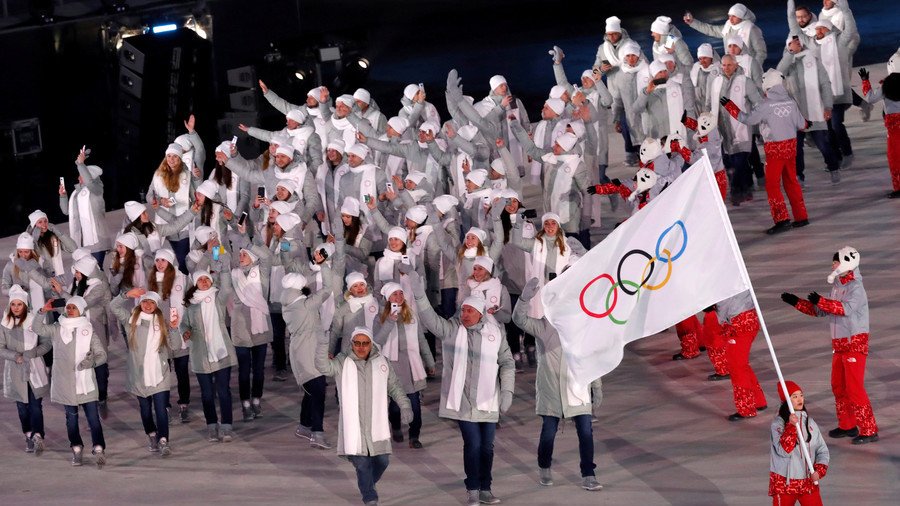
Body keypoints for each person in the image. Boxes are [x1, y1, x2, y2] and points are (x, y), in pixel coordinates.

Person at [408, 266, 515, 506]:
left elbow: (507, 362)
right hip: (463, 401)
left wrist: (507, 391)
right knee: (473, 444)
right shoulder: (452, 331)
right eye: (463, 310)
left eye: (469, 311)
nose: (464, 314)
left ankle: (486, 487)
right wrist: (418, 294)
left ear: (480, 314)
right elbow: (430, 320)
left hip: (488, 399)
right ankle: (473, 489)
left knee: (487, 447)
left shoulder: (495, 333)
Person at [780, 246, 879, 444]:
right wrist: (797, 302)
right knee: (838, 386)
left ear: (846, 264)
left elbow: (846, 309)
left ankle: (869, 429)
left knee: (854, 388)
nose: (833, 265)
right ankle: (847, 425)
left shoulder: (856, 288)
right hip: (840, 344)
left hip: (854, 344)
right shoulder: (838, 286)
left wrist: (822, 301)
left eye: (836, 262)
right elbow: (821, 311)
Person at [514, 278, 603, 491]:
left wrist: (597, 386)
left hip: (577, 389)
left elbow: (590, 359)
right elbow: (519, 319)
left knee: (586, 432)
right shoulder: (544, 327)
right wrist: (524, 298)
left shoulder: (582, 329)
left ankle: (588, 474)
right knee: (548, 432)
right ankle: (544, 466)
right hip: (552, 391)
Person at [315, 327, 412, 506]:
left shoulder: (382, 363)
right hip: (354, 428)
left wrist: (405, 406)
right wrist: (322, 343)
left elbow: (395, 387)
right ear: (352, 344)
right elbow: (322, 366)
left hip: (377, 426)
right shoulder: (342, 362)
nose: (361, 347)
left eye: (365, 343)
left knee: (382, 461)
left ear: (371, 344)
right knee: (362, 464)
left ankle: (367, 483)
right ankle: (370, 497)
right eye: (357, 343)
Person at [728, 69, 810, 234]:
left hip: (775, 149)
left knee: (772, 185)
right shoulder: (791, 102)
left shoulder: (765, 105)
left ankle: (782, 219)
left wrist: (730, 107)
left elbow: (748, 119)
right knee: (791, 181)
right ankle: (801, 216)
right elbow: (802, 124)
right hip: (791, 147)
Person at [32, 296, 108, 467]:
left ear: (80, 310)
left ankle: (98, 448)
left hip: (85, 383)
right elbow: (37, 328)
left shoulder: (88, 330)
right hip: (65, 383)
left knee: (93, 418)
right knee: (71, 419)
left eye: (74, 307)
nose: (70, 310)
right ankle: (76, 448)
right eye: (68, 307)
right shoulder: (58, 328)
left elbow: (101, 354)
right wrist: (42, 311)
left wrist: (91, 362)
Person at [110, 289, 180, 457]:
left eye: (152, 303)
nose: (148, 305)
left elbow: (175, 347)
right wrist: (126, 295)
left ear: (157, 306)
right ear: (140, 303)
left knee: (161, 408)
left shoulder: (162, 323)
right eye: (145, 302)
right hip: (139, 374)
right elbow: (113, 306)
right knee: (145, 409)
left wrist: (174, 329)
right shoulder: (131, 320)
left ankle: (164, 440)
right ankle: (152, 434)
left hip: (159, 373)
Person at [180, 267, 238, 443]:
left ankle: (226, 425)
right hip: (201, 353)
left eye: (206, 279)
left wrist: (222, 264)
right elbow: (184, 324)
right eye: (200, 280)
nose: (204, 282)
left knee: (223, 391)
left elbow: (227, 288)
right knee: (207, 393)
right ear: (195, 284)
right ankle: (212, 425)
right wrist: (186, 332)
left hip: (221, 351)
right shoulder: (191, 304)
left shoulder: (217, 298)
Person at [373, 283, 434, 448]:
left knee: (415, 403)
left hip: (412, 364)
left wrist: (429, 361)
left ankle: (414, 436)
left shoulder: (411, 315)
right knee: (395, 404)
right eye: (395, 295)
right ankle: (396, 426)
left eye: (401, 293)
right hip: (393, 366)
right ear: (387, 299)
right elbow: (377, 340)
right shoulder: (379, 317)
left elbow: (421, 340)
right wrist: (390, 321)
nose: (399, 297)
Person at [281, 271, 335, 449]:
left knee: (311, 390)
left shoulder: (288, 304)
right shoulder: (307, 304)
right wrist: (324, 265)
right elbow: (328, 289)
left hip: (299, 350)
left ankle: (304, 426)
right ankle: (317, 434)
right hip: (310, 351)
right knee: (318, 392)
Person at [778, 34, 841, 183]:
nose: (797, 44)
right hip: (795, 113)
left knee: (823, 144)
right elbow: (779, 72)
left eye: (799, 42)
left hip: (815, 111)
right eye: (793, 43)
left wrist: (827, 106)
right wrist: (790, 53)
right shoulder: (788, 63)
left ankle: (833, 167)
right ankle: (799, 175)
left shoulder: (814, 61)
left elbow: (825, 84)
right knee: (797, 149)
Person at [0, 285, 51, 454]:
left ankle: (38, 436)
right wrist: (16, 356)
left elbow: (47, 343)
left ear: (25, 305)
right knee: (22, 407)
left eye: (19, 304)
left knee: (35, 405)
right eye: (13, 304)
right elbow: (1, 347)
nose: (16, 308)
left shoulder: (34, 321)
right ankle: (28, 433)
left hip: (34, 368)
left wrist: (33, 353)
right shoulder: (5, 324)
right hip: (15, 370)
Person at [708, 54, 762, 206]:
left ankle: (737, 192)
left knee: (739, 161)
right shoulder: (716, 82)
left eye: (729, 65)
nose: (726, 68)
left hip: (741, 128)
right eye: (723, 65)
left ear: (736, 65)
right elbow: (709, 104)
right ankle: (747, 187)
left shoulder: (745, 81)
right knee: (732, 163)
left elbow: (758, 103)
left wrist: (753, 120)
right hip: (723, 130)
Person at [147, 248, 193, 423]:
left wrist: (189, 327)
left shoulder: (182, 278)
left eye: (163, 261)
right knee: (163, 372)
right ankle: (164, 405)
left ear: (170, 262)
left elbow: (189, 304)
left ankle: (184, 404)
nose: (159, 264)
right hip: (160, 335)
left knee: (182, 371)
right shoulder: (152, 282)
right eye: (157, 261)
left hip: (179, 332)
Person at [769, 381, 829, 505]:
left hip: (808, 481)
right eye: (794, 397)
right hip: (785, 483)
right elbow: (784, 451)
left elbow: (822, 450)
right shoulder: (778, 424)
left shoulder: (810, 423)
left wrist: (819, 470)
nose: (799, 399)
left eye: (801, 395)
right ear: (786, 401)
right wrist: (791, 426)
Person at [716, 291, 767, 421]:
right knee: (740, 363)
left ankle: (747, 408)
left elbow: (722, 300)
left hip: (738, 321)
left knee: (736, 367)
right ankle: (757, 400)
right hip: (743, 317)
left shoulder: (722, 276)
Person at [859, 50, 900, 198]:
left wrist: (865, 80)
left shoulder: (886, 86)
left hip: (894, 128)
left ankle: (898, 187)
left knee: (895, 158)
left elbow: (870, 98)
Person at [812, 19, 854, 166]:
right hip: (822, 95)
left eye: (822, 29)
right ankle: (836, 157)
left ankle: (847, 152)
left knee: (836, 125)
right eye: (817, 29)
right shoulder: (813, 45)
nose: (818, 32)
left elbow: (850, 30)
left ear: (829, 30)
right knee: (827, 129)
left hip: (838, 94)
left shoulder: (838, 43)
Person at [59, 148, 110, 266]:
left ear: (89, 176)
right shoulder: (76, 195)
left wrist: (81, 164)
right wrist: (63, 196)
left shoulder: (96, 190)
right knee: (85, 274)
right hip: (81, 241)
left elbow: (90, 183)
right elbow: (66, 211)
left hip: (97, 239)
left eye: (81, 174)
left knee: (96, 270)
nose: (78, 177)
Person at [684, 3, 766, 67]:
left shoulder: (752, 29)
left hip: (747, 66)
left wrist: (754, 68)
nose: (730, 19)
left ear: (741, 16)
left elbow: (761, 52)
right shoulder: (727, 28)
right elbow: (710, 30)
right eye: (729, 16)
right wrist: (692, 22)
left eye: (734, 16)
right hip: (730, 67)